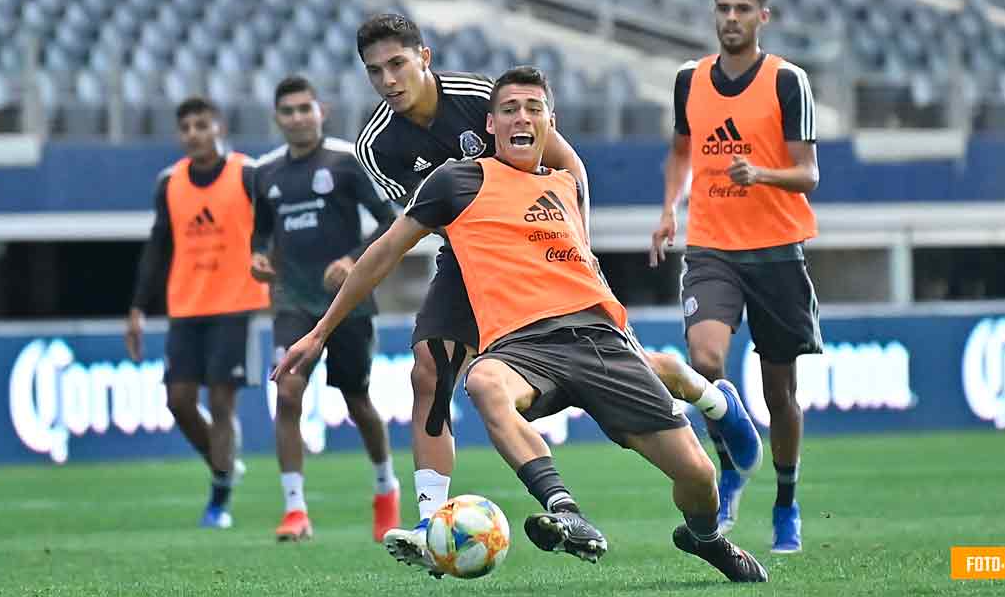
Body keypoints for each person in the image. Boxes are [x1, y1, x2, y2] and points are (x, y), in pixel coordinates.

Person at [276, 66, 768, 583]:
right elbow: (382, 253)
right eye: (509, 109)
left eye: (533, 109)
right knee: (483, 380)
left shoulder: (568, 184)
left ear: (549, 125)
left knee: (699, 476)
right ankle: (566, 509)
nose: (521, 118)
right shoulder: (455, 182)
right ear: (490, 125)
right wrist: (319, 332)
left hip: (601, 340)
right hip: (521, 348)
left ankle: (705, 537)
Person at [649, 0, 823, 554]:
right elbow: (681, 152)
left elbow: (809, 173)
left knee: (780, 392)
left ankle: (786, 503)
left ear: (762, 16)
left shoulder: (787, 82)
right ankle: (732, 466)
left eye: (743, 8)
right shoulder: (688, 80)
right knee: (704, 358)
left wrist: (764, 174)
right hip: (712, 247)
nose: (731, 18)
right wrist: (672, 206)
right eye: (723, 7)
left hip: (776, 252)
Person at [249, 75, 400, 542]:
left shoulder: (347, 161)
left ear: (322, 110)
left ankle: (385, 489)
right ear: (277, 118)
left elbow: (390, 223)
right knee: (288, 393)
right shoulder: (265, 172)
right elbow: (261, 232)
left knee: (357, 402)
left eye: (304, 109)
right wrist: (257, 256)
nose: (297, 118)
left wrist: (353, 260)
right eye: (288, 111)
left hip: (347, 302)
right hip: (293, 302)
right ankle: (295, 510)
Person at [125, 96, 269, 529]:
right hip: (186, 306)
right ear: (178, 134)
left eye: (202, 125)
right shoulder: (169, 182)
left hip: (235, 303)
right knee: (178, 401)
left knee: (222, 401)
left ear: (219, 128)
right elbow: (156, 248)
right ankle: (224, 465)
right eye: (186, 127)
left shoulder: (247, 174)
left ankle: (218, 502)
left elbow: (272, 227)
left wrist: (269, 261)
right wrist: (136, 307)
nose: (194, 134)